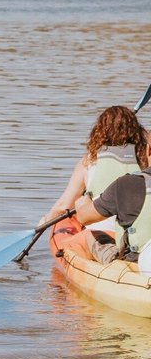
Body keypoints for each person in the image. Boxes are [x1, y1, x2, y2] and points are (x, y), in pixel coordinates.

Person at [41, 105, 151, 263]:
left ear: (99, 132)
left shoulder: (89, 162)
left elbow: (63, 205)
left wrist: (45, 221)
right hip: (136, 239)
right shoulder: (144, 161)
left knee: (80, 237)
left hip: (101, 233)